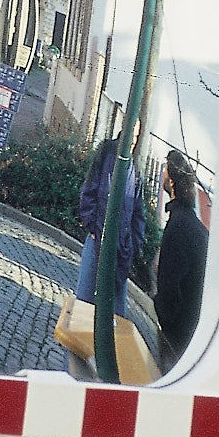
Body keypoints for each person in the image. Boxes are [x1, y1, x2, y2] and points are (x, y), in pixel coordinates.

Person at [74, 128, 145, 318]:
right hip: (97, 237)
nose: (134, 140)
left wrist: (133, 244)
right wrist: (91, 224)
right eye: (133, 134)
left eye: (138, 136)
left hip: (121, 249)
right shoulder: (107, 154)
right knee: (85, 299)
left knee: (116, 311)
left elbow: (138, 212)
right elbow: (90, 189)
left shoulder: (134, 168)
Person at [154, 149, 210, 370]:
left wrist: (163, 315)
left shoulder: (178, 226)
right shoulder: (194, 226)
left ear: (172, 182)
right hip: (190, 329)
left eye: (165, 172)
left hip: (177, 336)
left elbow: (170, 285)